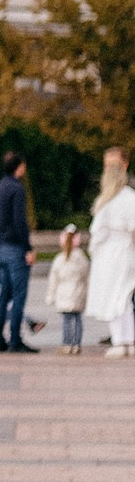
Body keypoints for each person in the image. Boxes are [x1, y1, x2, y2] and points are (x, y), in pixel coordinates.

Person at [87, 147, 135, 356]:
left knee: (116, 299)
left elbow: (98, 232)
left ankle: (121, 340)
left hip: (114, 255)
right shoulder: (127, 197)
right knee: (122, 298)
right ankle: (126, 340)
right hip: (124, 251)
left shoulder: (110, 200)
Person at [0, 153, 35, 353]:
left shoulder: (0, 187)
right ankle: (15, 339)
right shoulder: (17, 188)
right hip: (16, 250)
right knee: (18, 296)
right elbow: (19, 222)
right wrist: (28, 248)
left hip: (1, 248)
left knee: (4, 297)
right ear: (19, 166)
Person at [47, 226, 89, 355]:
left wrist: (51, 296)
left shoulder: (60, 258)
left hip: (63, 293)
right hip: (78, 291)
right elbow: (86, 275)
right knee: (77, 319)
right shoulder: (81, 258)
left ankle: (66, 343)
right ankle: (76, 344)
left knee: (67, 320)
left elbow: (54, 279)